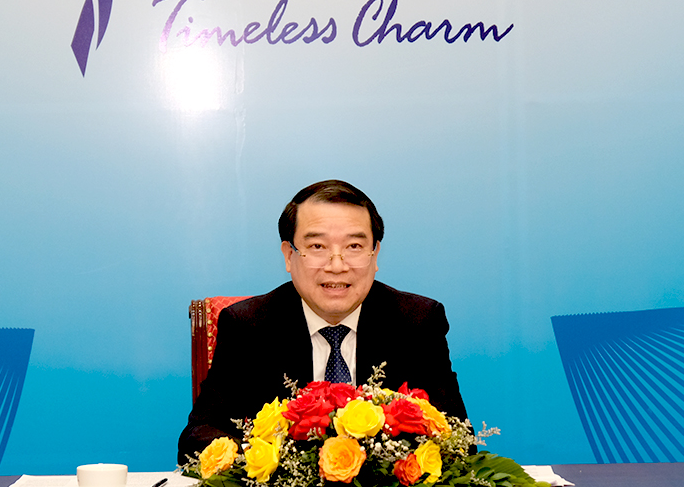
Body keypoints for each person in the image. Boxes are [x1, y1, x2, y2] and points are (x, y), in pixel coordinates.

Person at [178, 179, 470, 462]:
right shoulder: (249, 326)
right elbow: (199, 436)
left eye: (354, 246)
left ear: (375, 255)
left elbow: (457, 440)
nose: (337, 265)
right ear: (289, 256)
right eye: (318, 247)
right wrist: (269, 463)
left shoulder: (417, 322)